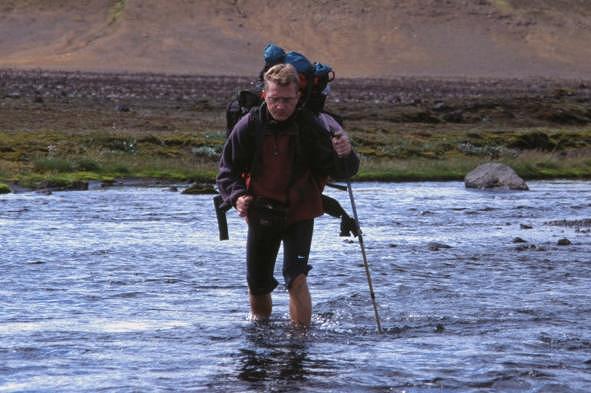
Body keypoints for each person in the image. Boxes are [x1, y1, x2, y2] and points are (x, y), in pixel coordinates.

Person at [216, 63, 359, 326]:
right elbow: (226, 171)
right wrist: (237, 197)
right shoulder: (250, 125)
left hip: (300, 213)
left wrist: (345, 153)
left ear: (297, 97)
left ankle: (300, 342)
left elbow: (342, 171)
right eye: (274, 100)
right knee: (258, 284)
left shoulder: (311, 127)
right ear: (264, 96)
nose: (280, 106)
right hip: (260, 213)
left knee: (296, 276)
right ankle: (260, 336)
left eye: (287, 100)